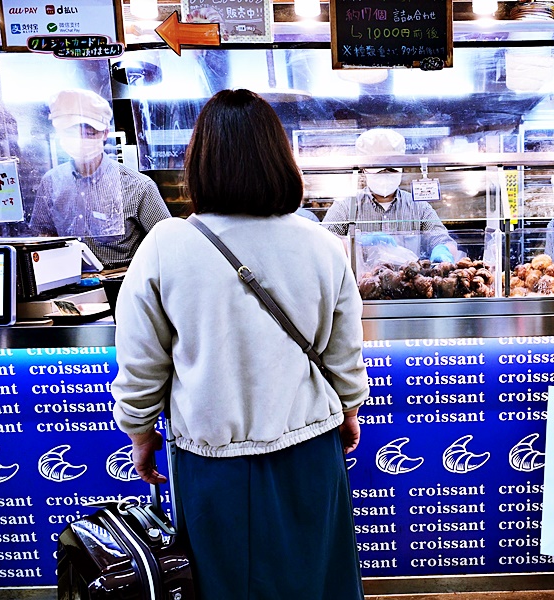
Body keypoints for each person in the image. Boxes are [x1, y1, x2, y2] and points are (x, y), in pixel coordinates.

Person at [111, 89, 369, 600]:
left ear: (200, 164)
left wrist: (140, 434)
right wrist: (349, 409)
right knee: (315, 580)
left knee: (223, 585)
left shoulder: (165, 245)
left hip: (211, 461)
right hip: (310, 450)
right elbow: (344, 351)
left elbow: (141, 362)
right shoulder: (321, 243)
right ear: (281, 159)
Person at [30, 88, 170, 269]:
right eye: (71, 133)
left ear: (105, 133)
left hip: (122, 283)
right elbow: (42, 234)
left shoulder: (138, 186)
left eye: (89, 133)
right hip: (65, 281)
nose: (81, 140)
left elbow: (167, 244)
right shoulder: (51, 182)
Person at [322, 128, 457, 262]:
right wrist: (357, 244)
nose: (385, 174)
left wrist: (442, 251)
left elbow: (443, 240)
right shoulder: (346, 206)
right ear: (363, 170)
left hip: (407, 281)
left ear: (402, 169)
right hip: (360, 282)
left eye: (392, 169)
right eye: (378, 169)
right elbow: (323, 242)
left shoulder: (419, 206)